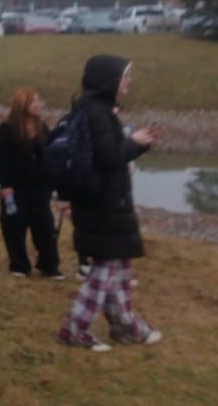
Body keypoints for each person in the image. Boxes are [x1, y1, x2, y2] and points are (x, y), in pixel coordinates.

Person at [58, 55, 160, 351]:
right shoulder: (97, 112)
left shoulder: (96, 109)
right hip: (102, 203)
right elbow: (108, 158)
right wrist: (134, 142)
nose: (128, 81)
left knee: (119, 266)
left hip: (105, 201)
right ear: (109, 80)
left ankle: (125, 324)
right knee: (105, 269)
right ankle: (74, 329)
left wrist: (136, 145)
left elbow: (111, 155)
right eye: (124, 76)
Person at [0, 88, 62, 279]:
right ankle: (19, 264)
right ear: (23, 106)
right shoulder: (7, 129)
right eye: (34, 102)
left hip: (39, 186)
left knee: (45, 225)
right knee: (14, 225)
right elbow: (3, 159)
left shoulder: (42, 128)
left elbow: (48, 157)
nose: (39, 105)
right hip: (15, 187)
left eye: (39, 101)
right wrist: (5, 186)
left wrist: (52, 184)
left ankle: (49, 264)